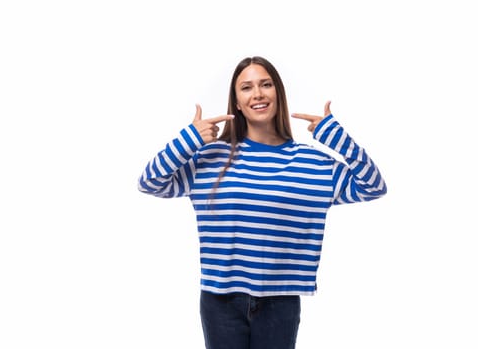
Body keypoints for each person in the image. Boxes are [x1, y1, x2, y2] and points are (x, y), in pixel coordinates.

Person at [137, 56, 387, 349]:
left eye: (266, 84)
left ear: (278, 94)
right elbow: (150, 183)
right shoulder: (210, 158)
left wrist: (336, 137)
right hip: (220, 301)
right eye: (246, 88)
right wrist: (189, 139)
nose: (257, 93)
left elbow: (373, 186)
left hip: (280, 301)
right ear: (237, 103)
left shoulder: (313, 163)